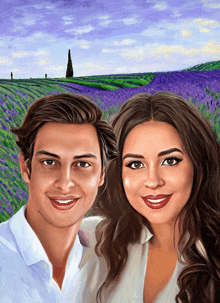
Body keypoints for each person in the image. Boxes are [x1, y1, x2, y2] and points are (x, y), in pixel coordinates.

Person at [80, 91, 220, 302]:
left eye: (170, 161)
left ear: (198, 163)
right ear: (117, 172)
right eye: (136, 164)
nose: (153, 181)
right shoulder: (91, 239)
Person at [0, 93, 117, 302]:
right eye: (49, 162)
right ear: (25, 168)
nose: (65, 183)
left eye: (82, 164)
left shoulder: (108, 263)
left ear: (101, 175)